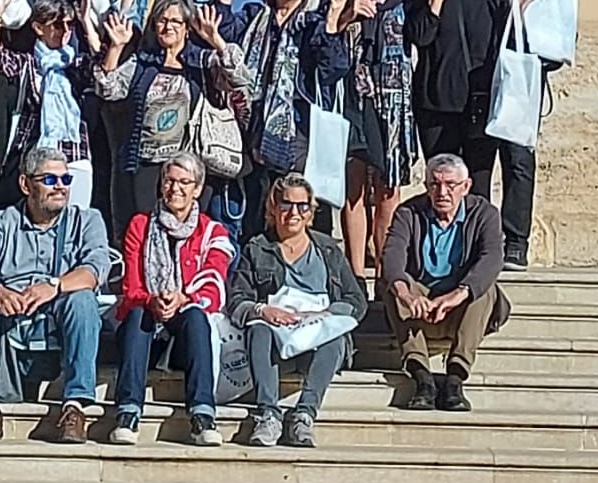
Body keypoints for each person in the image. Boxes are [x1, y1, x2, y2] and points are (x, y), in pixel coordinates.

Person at [0, 149, 116, 444]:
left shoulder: (88, 220)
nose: (60, 186)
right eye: (50, 179)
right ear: (26, 184)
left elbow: (96, 268)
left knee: (82, 299)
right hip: (10, 313)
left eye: (65, 179)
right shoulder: (1, 222)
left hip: (60, 312)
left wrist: (55, 286)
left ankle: (75, 407)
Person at [413, 0, 535, 269]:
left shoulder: (499, 1)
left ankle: (476, 259)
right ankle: (440, 259)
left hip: (481, 108)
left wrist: (519, 15)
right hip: (437, 104)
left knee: (475, 186)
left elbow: (510, 52)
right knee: (441, 184)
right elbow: (420, 37)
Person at [227, 173, 367, 448]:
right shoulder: (257, 247)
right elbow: (237, 299)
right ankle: (268, 414)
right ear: (274, 207)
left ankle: (304, 414)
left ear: (311, 211)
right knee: (258, 328)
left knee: (336, 337)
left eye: (302, 206)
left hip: (317, 334)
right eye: (286, 204)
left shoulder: (327, 249)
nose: (294, 213)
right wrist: (263, 310)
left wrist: (325, 314)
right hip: (276, 337)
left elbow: (356, 301)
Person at [96, 0, 250, 231]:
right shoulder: (143, 63)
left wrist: (215, 40)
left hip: (188, 166)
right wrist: (116, 48)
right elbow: (107, 89)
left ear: (187, 28)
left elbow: (241, 78)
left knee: (185, 232)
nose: (168, 27)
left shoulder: (202, 63)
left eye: (176, 22)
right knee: (145, 229)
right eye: (162, 20)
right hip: (146, 165)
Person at [110, 152, 234, 447]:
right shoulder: (140, 225)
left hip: (186, 334)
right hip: (146, 330)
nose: (175, 188)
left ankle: (203, 414)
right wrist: (154, 300)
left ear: (197, 189)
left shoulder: (213, 232)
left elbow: (214, 286)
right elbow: (131, 288)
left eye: (184, 182)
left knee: (196, 315)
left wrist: (183, 298)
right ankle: (128, 412)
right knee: (138, 313)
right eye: (169, 181)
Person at [381, 153, 511, 413]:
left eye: (451, 185)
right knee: (395, 286)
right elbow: (392, 255)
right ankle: (422, 377)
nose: (442, 192)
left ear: (466, 186)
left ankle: (455, 378)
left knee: (484, 289)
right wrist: (407, 295)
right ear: (426, 186)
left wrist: (457, 295)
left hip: (460, 306)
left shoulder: (485, 213)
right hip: (421, 306)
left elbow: (492, 258)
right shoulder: (408, 212)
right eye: (435, 184)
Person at [325, 0, 419, 278]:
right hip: (353, 97)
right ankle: (355, 270)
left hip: (393, 101)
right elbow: (325, 36)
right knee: (353, 185)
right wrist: (350, 14)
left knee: (387, 187)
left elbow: (424, 34)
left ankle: (384, 269)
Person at [225, 0, 328, 228]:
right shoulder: (255, 14)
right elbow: (222, 30)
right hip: (250, 123)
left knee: (292, 205)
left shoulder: (312, 25)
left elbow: (333, 67)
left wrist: (333, 28)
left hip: (295, 129)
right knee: (256, 207)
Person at [0, 0, 104, 214]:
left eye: (69, 25)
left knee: (75, 219)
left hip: (74, 153)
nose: (65, 31)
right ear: (38, 28)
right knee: (34, 218)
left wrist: (86, 22)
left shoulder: (76, 64)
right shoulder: (27, 63)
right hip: (35, 154)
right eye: (57, 25)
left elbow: (104, 67)